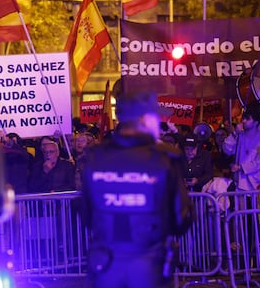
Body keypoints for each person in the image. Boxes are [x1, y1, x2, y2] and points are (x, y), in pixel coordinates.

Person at [81, 91, 194, 288]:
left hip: (105, 265)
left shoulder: (95, 157)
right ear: (144, 119)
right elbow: (182, 217)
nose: (158, 122)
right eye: (155, 116)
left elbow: (86, 214)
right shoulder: (163, 159)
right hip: (148, 265)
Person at [222, 104, 260, 192]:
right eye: (243, 118)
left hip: (257, 183)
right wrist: (234, 133)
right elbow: (226, 149)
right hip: (240, 184)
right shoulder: (239, 135)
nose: (243, 121)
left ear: (256, 122)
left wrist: (241, 167)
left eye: (247, 119)